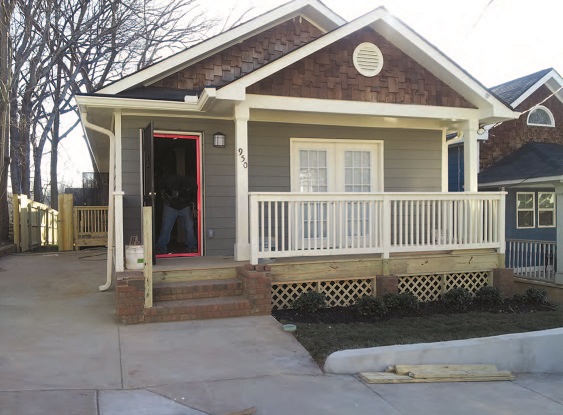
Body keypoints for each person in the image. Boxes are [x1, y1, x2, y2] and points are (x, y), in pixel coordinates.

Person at [155, 175, 198, 254]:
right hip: (170, 205)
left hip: (185, 205)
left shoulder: (192, 185)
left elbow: (194, 196)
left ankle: (192, 246)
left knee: (189, 227)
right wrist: (164, 199)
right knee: (166, 227)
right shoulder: (169, 182)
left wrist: (194, 207)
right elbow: (161, 189)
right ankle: (161, 248)